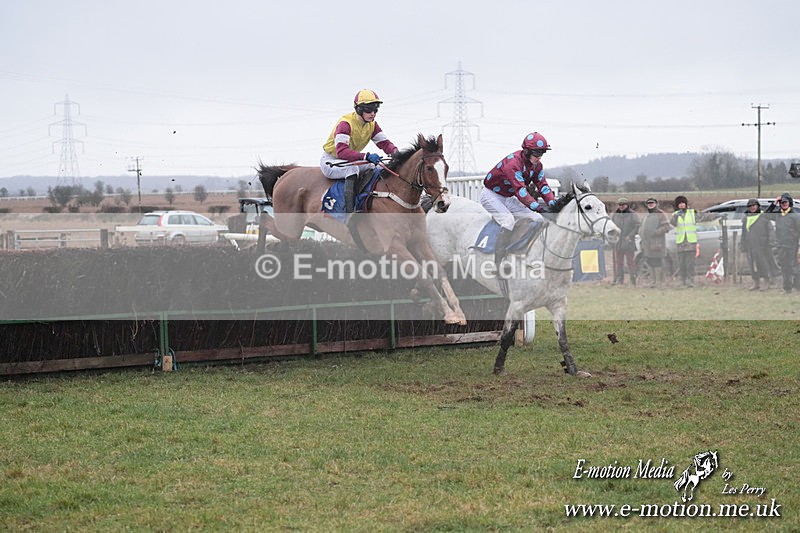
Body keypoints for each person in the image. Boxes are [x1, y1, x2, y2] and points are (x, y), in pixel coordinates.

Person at [480, 132, 557, 266]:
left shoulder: (537, 166)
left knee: (537, 219)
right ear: (526, 151)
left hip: (507, 197)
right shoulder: (513, 163)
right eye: (536, 153)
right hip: (490, 195)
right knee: (508, 221)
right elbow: (521, 191)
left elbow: (543, 186)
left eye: (542, 154)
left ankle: (524, 252)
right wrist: (540, 208)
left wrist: (554, 205)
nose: (539, 157)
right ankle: (498, 260)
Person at [320, 89, 399, 213]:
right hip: (331, 161)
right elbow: (341, 152)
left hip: (350, 160)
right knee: (353, 169)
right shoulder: (345, 124)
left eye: (375, 109)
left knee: (376, 166)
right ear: (359, 109)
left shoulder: (372, 125)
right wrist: (365, 156)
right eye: (369, 110)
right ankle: (350, 212)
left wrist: (398, 155)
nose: (373, 113)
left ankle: (365, 201)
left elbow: (385, 144)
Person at [670, 195, 716, 288]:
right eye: (679, 203)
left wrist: (717, 215)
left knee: (690, 263)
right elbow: (673, 223)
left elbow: (704, 217)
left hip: (691, 242)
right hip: (680, 243)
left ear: (686, 204)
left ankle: (690, 280)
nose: (681, 205)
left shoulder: (692, 213)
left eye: (683, 203)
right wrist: (676, 216)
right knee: (681, 263)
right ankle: (682, 281)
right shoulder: (675, 215)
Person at [765, 192, 800, 293]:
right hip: (781, 247)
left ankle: (798, 287)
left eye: (785, 202)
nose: (784, 204)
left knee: (794, 268)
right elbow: (765, 215)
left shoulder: (796, 216)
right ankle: (787, 288)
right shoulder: (777, 215)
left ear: (789, 203)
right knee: (784, 268)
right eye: (782, 202)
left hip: (792, 247)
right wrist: (774, 203)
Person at [740, 198, 775, 291]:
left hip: (763, 245)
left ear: (758, 206)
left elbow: (771, 230)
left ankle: (767, 283)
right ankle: (756, 283)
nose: (752, 207)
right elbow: (744, 233)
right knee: (752, 266)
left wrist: (771, 242)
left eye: (754, 205)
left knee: (764, 264)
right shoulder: (745, 218)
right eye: (750, 206)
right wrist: (742, 245)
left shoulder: (763, 216)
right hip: (750, 246)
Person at [638, 197, 671, 287]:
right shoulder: (646, 215)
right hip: (647, 244)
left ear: (656, 204)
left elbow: (667, 227)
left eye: (652, 203)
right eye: (649, 203)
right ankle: (653, 281)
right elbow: (641, 228)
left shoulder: (661, 214)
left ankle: (660, 282)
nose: (650, 205)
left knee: (658, 263)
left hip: (657, 244)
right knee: (650, 262)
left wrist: (656, 232)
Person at [610, 198, 640, 285]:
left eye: (623, 204)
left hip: (629, 241)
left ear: (627, 205)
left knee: (630, 262)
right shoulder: (615, 215)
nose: (621, 206)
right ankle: (620, 279)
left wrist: (630, 236)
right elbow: (612, 226)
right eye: (619, 204)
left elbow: (637, 226)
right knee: (618, 262)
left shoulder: (633, 215)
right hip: (618, 241)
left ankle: (633, 280)